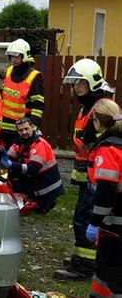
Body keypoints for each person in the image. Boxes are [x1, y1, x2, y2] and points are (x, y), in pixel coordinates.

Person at [54, 58, 115, 281]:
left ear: (92, 81)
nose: (76, 86)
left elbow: (99, 144)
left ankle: (84, 265)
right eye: (74, 83)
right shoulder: (91, 105)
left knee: (85, 218)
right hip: (87, 171)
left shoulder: (99, 108)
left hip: (96, 174)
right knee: (82, 216)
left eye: (80, 82)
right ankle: (83, 259)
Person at [85, 98, 122, 297]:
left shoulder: (108, 150)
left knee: (114, 275)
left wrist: (95, 222)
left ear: (98, 121)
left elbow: (106, 190)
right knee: (104, 274)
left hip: (115, 224)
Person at [2, 117, 64, 214]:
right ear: (17, 131)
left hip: (45, 183)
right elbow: (9, 157)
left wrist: (11, 165)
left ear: (32, 127)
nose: (24, 132)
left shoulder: (39, 143)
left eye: (26, 129)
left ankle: (42, 202)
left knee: (21, 199)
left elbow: (33, 169)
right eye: (21, 130)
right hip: (35, 179)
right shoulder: (20, 141)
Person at [0, 39, 45, 149]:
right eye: (11, 57)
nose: (13, 60)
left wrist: (32, 127)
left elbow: (38, 106)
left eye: (16, 56)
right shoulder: (10, 71)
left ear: (24, 56)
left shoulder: (34, 77)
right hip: (4, 127)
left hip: (21, 129)